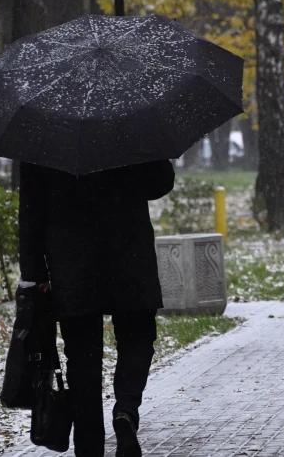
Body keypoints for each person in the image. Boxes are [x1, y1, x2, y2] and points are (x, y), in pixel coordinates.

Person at [19, 160, 175, 456]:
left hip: (72, 261)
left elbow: (30, 208)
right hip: (129, 253)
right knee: (138, 338)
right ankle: (126, 410)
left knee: (82, 360)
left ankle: (89, 447)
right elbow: (160, 184)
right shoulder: (131, 120)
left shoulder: (44, 131)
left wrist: (34, 273)